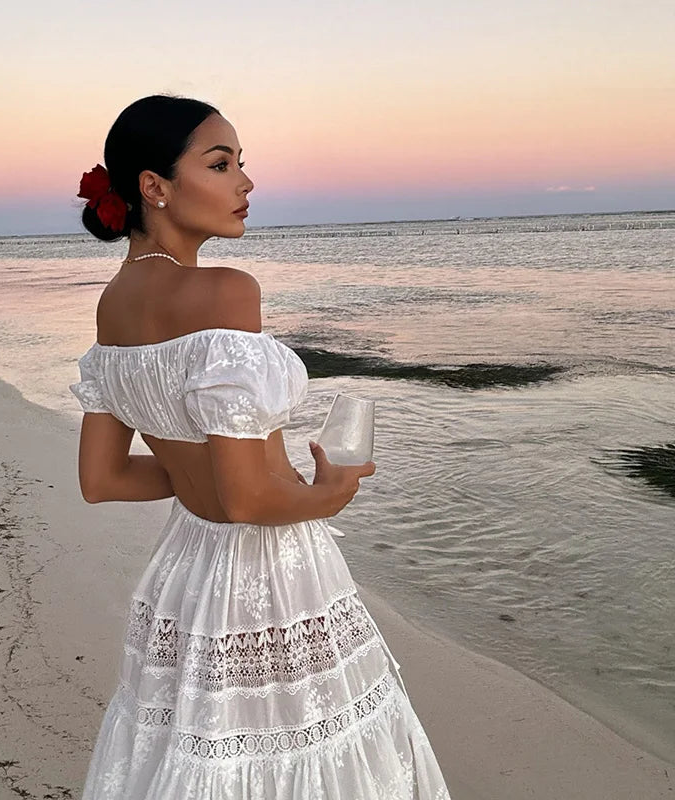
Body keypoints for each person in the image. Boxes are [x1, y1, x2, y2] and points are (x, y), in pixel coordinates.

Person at [69, 93, 452, 799]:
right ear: (154, 186)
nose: (246, 182)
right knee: (302, 757)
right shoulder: (225, 292)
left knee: (204, 753)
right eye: (221, 164)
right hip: (270, 573)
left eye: (242, 164)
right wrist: (331, 492)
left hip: (187, 570)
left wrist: (195, 472)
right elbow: (249, 501)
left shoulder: (112, 305)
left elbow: (104, 479)